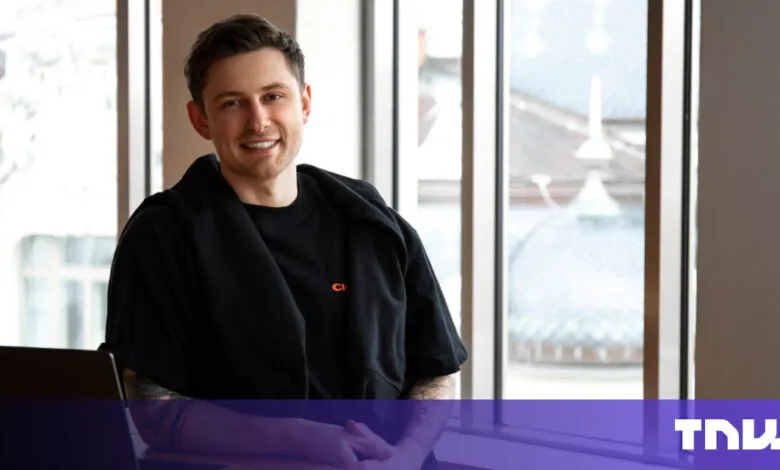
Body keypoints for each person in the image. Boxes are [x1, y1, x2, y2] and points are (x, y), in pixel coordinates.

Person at [100, 13, 467, 470]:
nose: (258, 121)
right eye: (232, 103)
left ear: (305, 103)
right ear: (200, 119)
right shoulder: (162, 236)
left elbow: (435, 367)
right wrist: (300, 440)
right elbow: (152, 404)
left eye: (273, 96)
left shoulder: (373, 221)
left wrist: (407, 456)